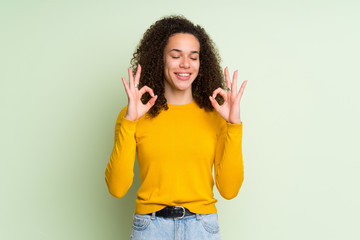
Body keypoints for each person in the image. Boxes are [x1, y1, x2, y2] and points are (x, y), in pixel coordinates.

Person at [105, 15, 247, 240]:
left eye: (194, 57)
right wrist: (130, 121)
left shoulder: (218, 116)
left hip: (202, 229)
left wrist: (233, 125)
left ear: (202, 63)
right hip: (150, 228)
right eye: (175, 55)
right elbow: (117, 188)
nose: (185, 64)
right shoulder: (133, 115)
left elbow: (229, 190)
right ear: (159, 59)